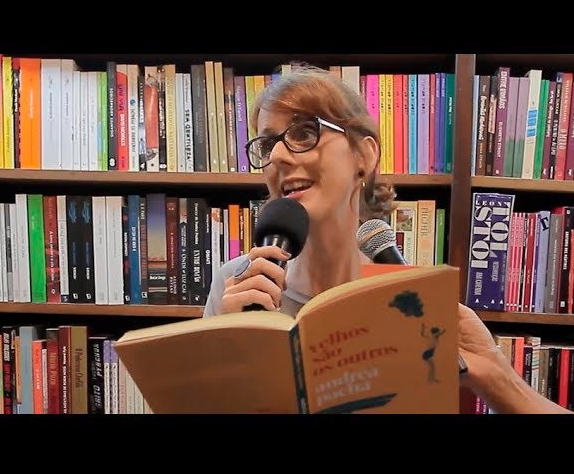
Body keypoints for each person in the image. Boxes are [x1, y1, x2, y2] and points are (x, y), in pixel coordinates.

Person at [202, 63, 571, 415]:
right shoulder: (236, 287)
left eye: (304, 133)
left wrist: (495, 373)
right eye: (268, 144)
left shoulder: (414, 301)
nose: (278, 156)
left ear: (364, 154)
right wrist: (224, 362)